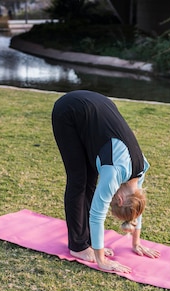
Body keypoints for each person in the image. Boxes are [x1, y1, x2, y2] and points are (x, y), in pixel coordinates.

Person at [52, 90, 161, 273]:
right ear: (119, 200)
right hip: (68, 110)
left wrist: (137, 242)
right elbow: (97, 214)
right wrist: (101, 260)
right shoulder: (115, 173)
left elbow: (137, 207)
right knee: (79, 180)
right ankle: (78, 246)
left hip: (97, 105)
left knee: (91, 178)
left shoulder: (140, 171)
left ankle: (84, 241)